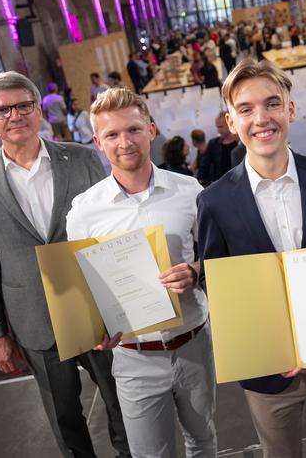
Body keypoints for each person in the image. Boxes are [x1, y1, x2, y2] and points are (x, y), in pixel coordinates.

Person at [197, 58, 306, 458]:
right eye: (245, 109)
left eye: (272, 104)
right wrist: (265, 346)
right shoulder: (215, 202)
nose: (261, 118)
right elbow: (217, 285)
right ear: (230, 121)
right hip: (268, 367)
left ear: (290, 109)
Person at [0, 71, 129, 457]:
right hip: (32, 316)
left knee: (122, 402)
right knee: (64, 416)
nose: (13, 115)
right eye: (1, 110)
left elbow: (111, 230)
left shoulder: (83, 158)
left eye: (22, 105)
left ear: (38, 110)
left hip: (94, 307)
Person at [66, 88, 216, 458]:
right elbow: (81, 290)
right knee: (151, 455)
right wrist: (92, 328)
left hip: (194, 344)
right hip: (134, 357)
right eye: (112, 135)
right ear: (99, 143)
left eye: (133, 130)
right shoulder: (84, 212)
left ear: (150, 129)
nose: (125, 142)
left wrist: (195, 271)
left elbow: (214, 258)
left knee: (204, 440)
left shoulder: (189, 191)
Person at [197, 111, 239, 186]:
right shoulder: (213, 144)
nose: (218, 131)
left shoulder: (241, 144)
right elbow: (204, 167)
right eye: (217, 127)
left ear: (230, 124)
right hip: (219, 186)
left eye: (220, 127)